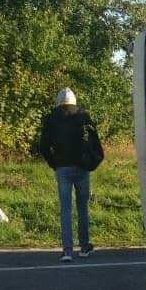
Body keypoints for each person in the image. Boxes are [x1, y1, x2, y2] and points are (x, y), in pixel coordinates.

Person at [37, 87, 100, 262]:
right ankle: (84, 247)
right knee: (82, 208)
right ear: (74, 101)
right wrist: (90, 162)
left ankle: (67, 251)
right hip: (82, 167)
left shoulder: (51, 118)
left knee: (65, 210)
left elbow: (43, 145)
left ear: (58, 102)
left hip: (62, 168)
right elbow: (95, 142)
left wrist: (53, 163)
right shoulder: (83, 116)